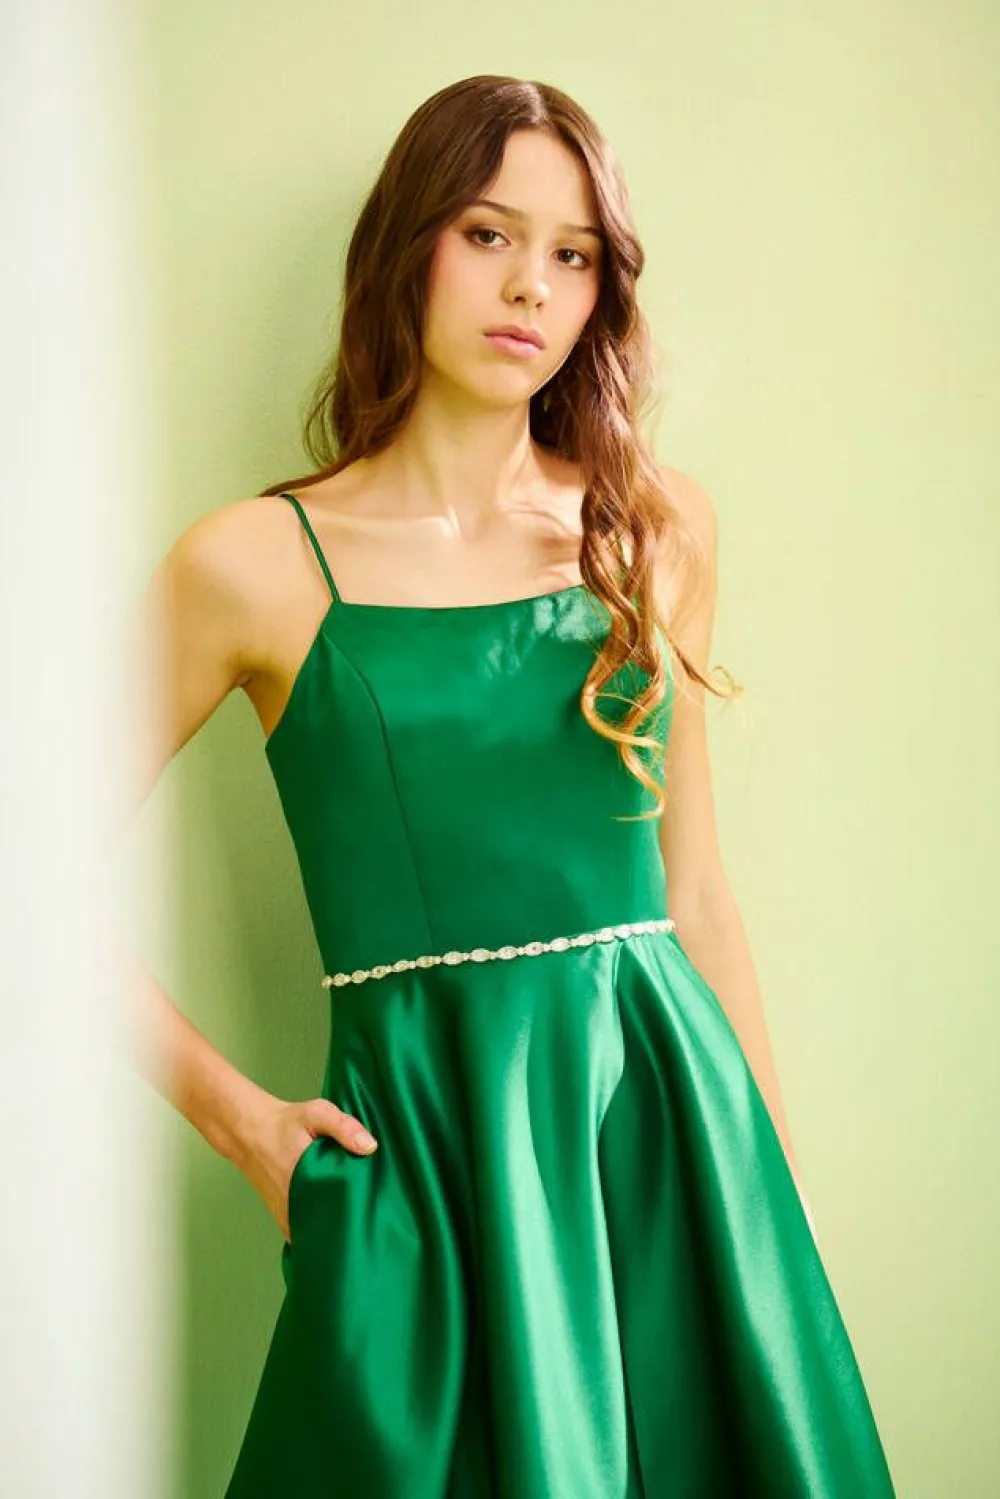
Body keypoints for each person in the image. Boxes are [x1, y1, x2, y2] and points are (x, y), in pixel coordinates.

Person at [129, 74, 896, 1499]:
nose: (531, 285)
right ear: (408, 245)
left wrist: (768, 1203)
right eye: (487, 234)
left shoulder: (653, 529)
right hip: (426, 1170)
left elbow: (695, 892)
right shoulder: (249, 564)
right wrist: (244, 1127)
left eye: (573, 253)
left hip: (671, 1145)